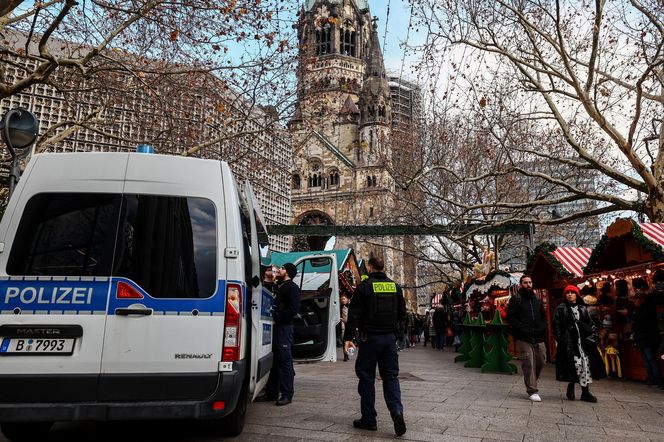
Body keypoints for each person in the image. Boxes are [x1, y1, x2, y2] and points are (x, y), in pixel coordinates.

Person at [344, 256, 407, 436]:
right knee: (391, 377)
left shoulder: (364, 287)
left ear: (370, 267)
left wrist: (348, 337)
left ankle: (369, 419)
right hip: (389, 340)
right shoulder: (395, 287)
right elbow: (403, 315)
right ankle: (397, 410)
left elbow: (354, 314)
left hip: (369, 339)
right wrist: (398, 336)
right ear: (383, 267)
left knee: (366, 377)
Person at [553, 285, 606, 402]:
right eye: (568, 292)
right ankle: (571, 386)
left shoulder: (582, 308)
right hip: (569, 342)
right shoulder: (560, 309)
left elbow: (590, 324)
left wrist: (591, 337)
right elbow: (556, 327)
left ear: (576, 295)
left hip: (583, 342)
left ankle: (585, 392)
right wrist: (561, 340)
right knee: (574, 364)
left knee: (585, 364)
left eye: (572, 292)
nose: (570, 294)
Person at [258, 263, 301, 406]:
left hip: (284, 328)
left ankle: (287, 394)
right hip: (277, 328)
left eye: (282, 268)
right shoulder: (280, 286)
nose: (279, 270)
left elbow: (293, 309)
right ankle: (271, 393)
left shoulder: (292, 287)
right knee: (275, 362)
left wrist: (277, 318)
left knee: (284, 361)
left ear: (287, 272)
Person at [506, 274, 547, 402]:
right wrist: (521, 327)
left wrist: (542, 327)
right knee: (528, 362)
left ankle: (532, 379)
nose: (528, 285)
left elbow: (543, 316)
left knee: (541, 361)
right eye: (525, 282)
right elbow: (510, 317)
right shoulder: (516, 299)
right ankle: (532, 390)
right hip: (523, 337)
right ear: (521, 284)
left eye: (530, 282)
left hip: (538, 336)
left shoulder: (537, 299)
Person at [632, 275, 663, 389]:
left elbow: (639, 324)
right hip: (646, 337)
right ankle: (654, 379)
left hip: (645, 338)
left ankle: (656, 380)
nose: (635, 301)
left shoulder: (642, 311)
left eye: (636, 299)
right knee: (649, 360)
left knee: (650, 359)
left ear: (641, 300)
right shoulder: (647, 310)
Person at [340, 294, 350, 361]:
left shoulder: (350, 306)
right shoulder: (340, 307)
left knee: (349, 341)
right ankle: (345, 355)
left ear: (347, 299)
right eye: (341, 299)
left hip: (350, 324)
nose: (343, 300)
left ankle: (347, 354)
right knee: (344, 340)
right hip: (343, 324)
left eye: (344, 299)